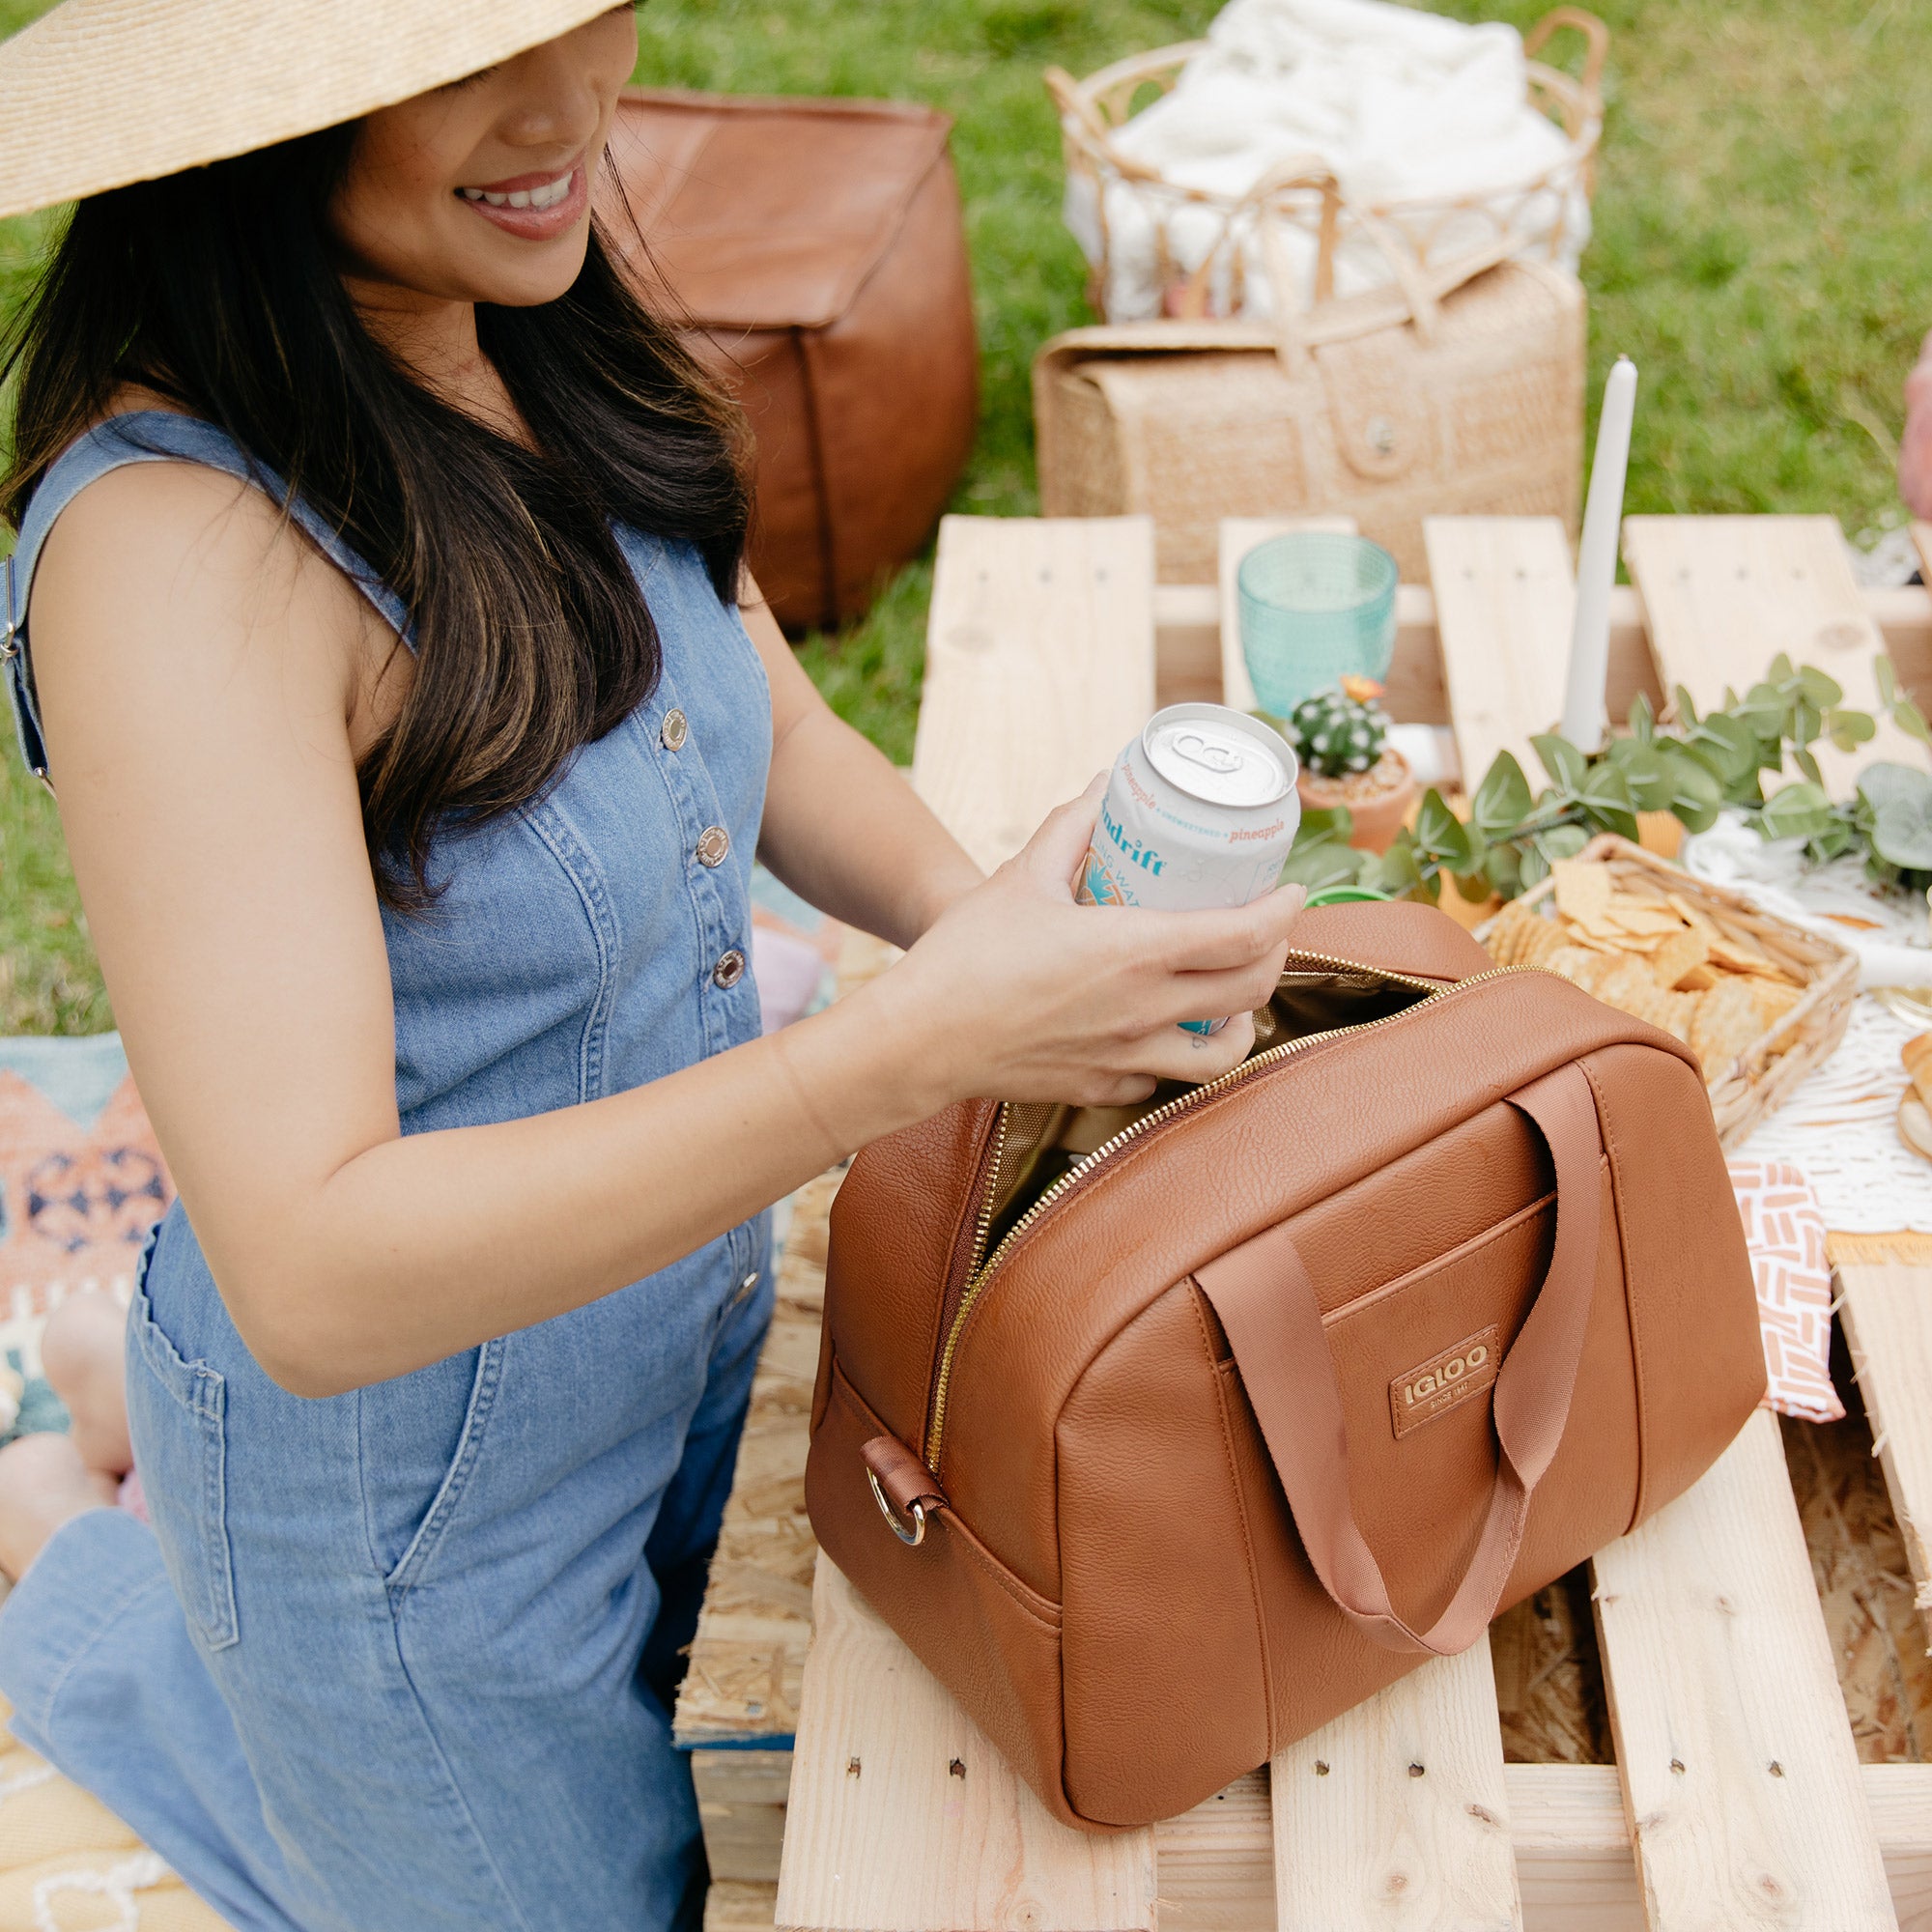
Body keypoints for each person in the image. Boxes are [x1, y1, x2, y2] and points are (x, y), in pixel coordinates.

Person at [0, 4, 1306, 1927]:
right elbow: (310, 1272)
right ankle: (64, 1536)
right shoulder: (172, 555)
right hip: (403, 1516)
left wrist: (998, 932)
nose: (568, 106)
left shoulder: (516, 287)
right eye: (460, 56)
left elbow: (756, 712)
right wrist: (903, 1051)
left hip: (677, 1328)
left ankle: (112, 1412)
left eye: (580, 13)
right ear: (249, 116)